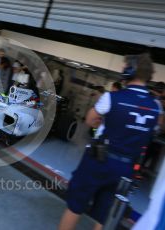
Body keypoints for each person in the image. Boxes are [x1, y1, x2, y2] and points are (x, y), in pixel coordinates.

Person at [58, 53, 163, 230]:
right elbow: (154, 130)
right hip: (126, 168)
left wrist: (107, 121)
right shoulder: (156, 106)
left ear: (129, 71)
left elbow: (90, 120)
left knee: (75, 206)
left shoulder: (112, 98)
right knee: (104, 214)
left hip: (98, 161)